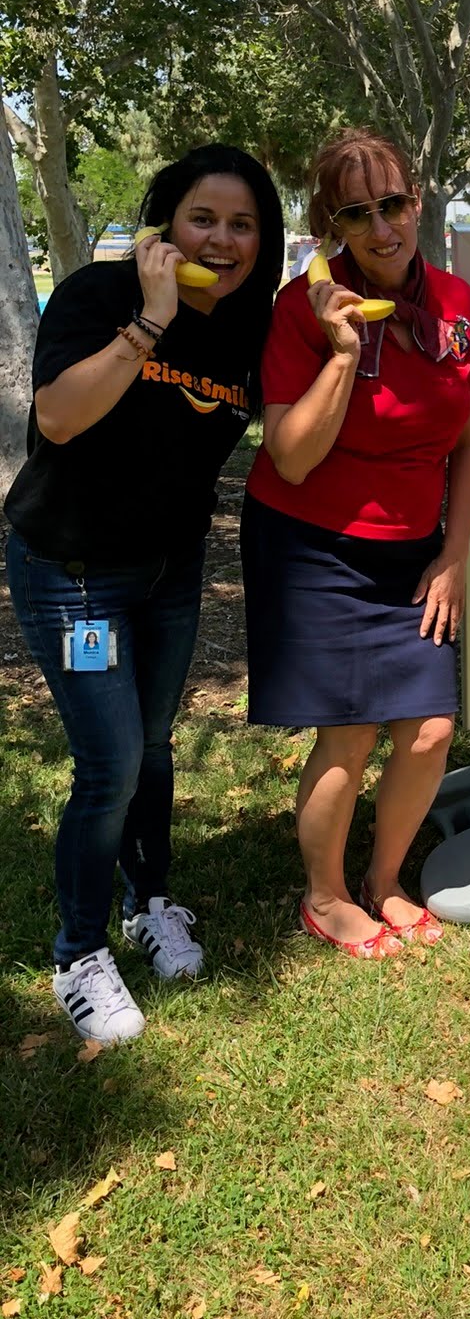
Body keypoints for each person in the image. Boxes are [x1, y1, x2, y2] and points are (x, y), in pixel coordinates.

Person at [5, 145, 284, 1043]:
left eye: (244, 224)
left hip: (168, 573)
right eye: (205, 217)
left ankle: (149, 903)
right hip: (72, 570)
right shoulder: (97, 294)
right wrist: (153, 319)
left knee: (155, 747)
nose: (224, 239)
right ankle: (78, 953)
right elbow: (56, 416)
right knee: (110, 765)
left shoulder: (249, 329)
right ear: (168, 221)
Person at [240, 128, 470, 958]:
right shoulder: (299, 312)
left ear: (417, 201)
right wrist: (343, 351)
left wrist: (453, 556)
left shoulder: (456, 304)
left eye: (394, 205)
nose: (383, 229)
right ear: (331, 228)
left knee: (428, 729)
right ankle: (326, 895)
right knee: (347, 731)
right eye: (358, 214)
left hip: (412, 548)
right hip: (314, 543)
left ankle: (385, 880)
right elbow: (292, 455)